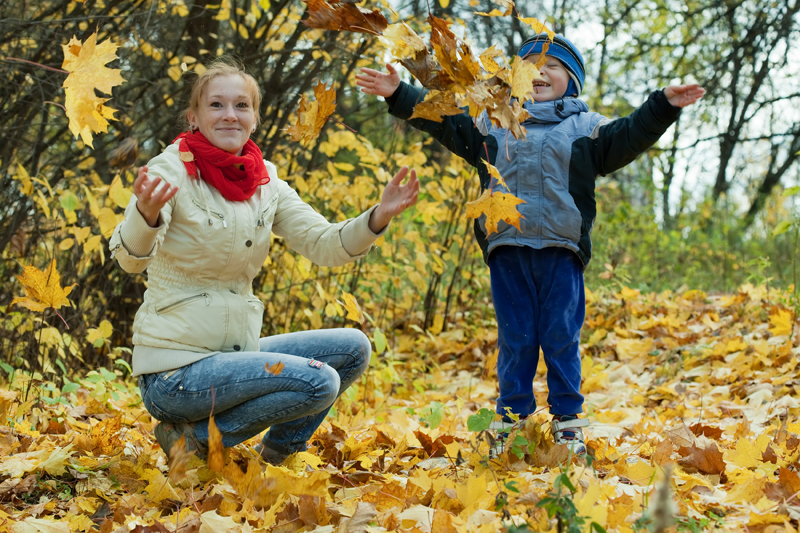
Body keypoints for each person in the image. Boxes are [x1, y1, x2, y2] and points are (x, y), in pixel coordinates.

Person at [356, 34, 704, 454]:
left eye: (551, 66)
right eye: (528, 66)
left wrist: (662, 105)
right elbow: (443, 122)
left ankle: (569, 421)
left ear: (571, 81)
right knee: (516, 337)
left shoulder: (587, 130)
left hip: (561, 250)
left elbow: (630, 135)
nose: (538, 72)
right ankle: (510, 419)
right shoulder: (491, 124)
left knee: (560, 335)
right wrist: (399, 93)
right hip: (508, 250)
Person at [110, 57, 419, 464]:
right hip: (176, 374)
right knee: (318, 382)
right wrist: (146, 216)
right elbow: (129, 260)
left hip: (233, 356)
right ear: (194, 116)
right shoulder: (170, 170)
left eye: (241, 105)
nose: (229, 115)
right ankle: (194, 441)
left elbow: (322, 243)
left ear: (254, 118)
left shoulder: (265, 180)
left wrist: (378, 216)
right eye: (216, 105)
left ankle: (276, 457)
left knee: (352, 348)